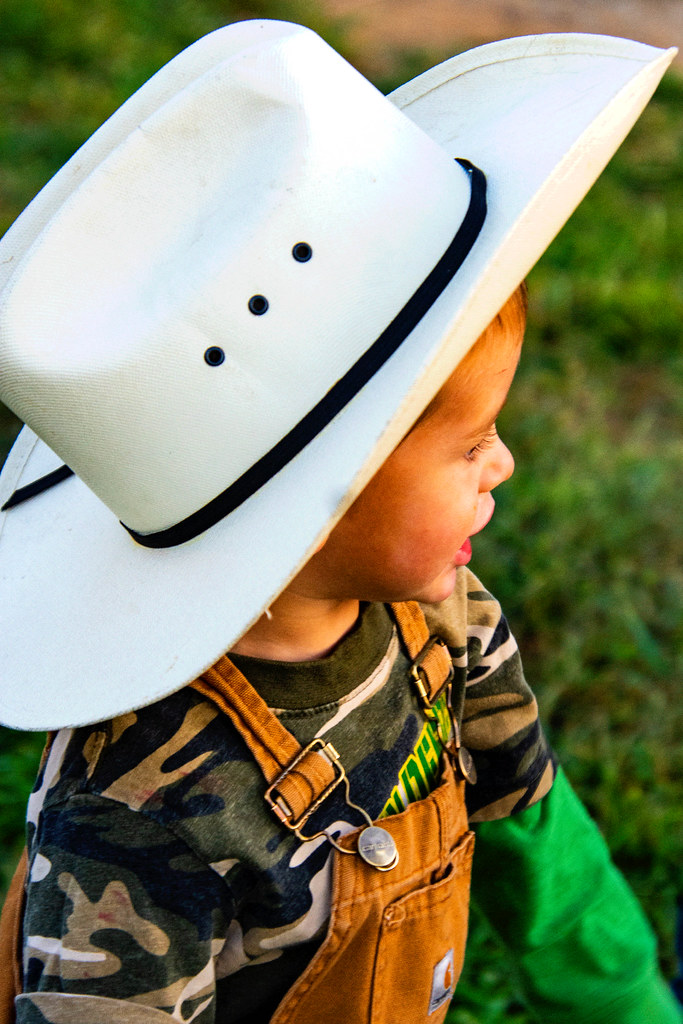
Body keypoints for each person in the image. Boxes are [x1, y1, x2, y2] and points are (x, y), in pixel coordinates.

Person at [0, 20, 679, 1024]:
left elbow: (540, 846)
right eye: (469, 443)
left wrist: (627, 1008)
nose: (505, 464)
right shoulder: (135, 813)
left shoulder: (452, 624)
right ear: (311, 511)